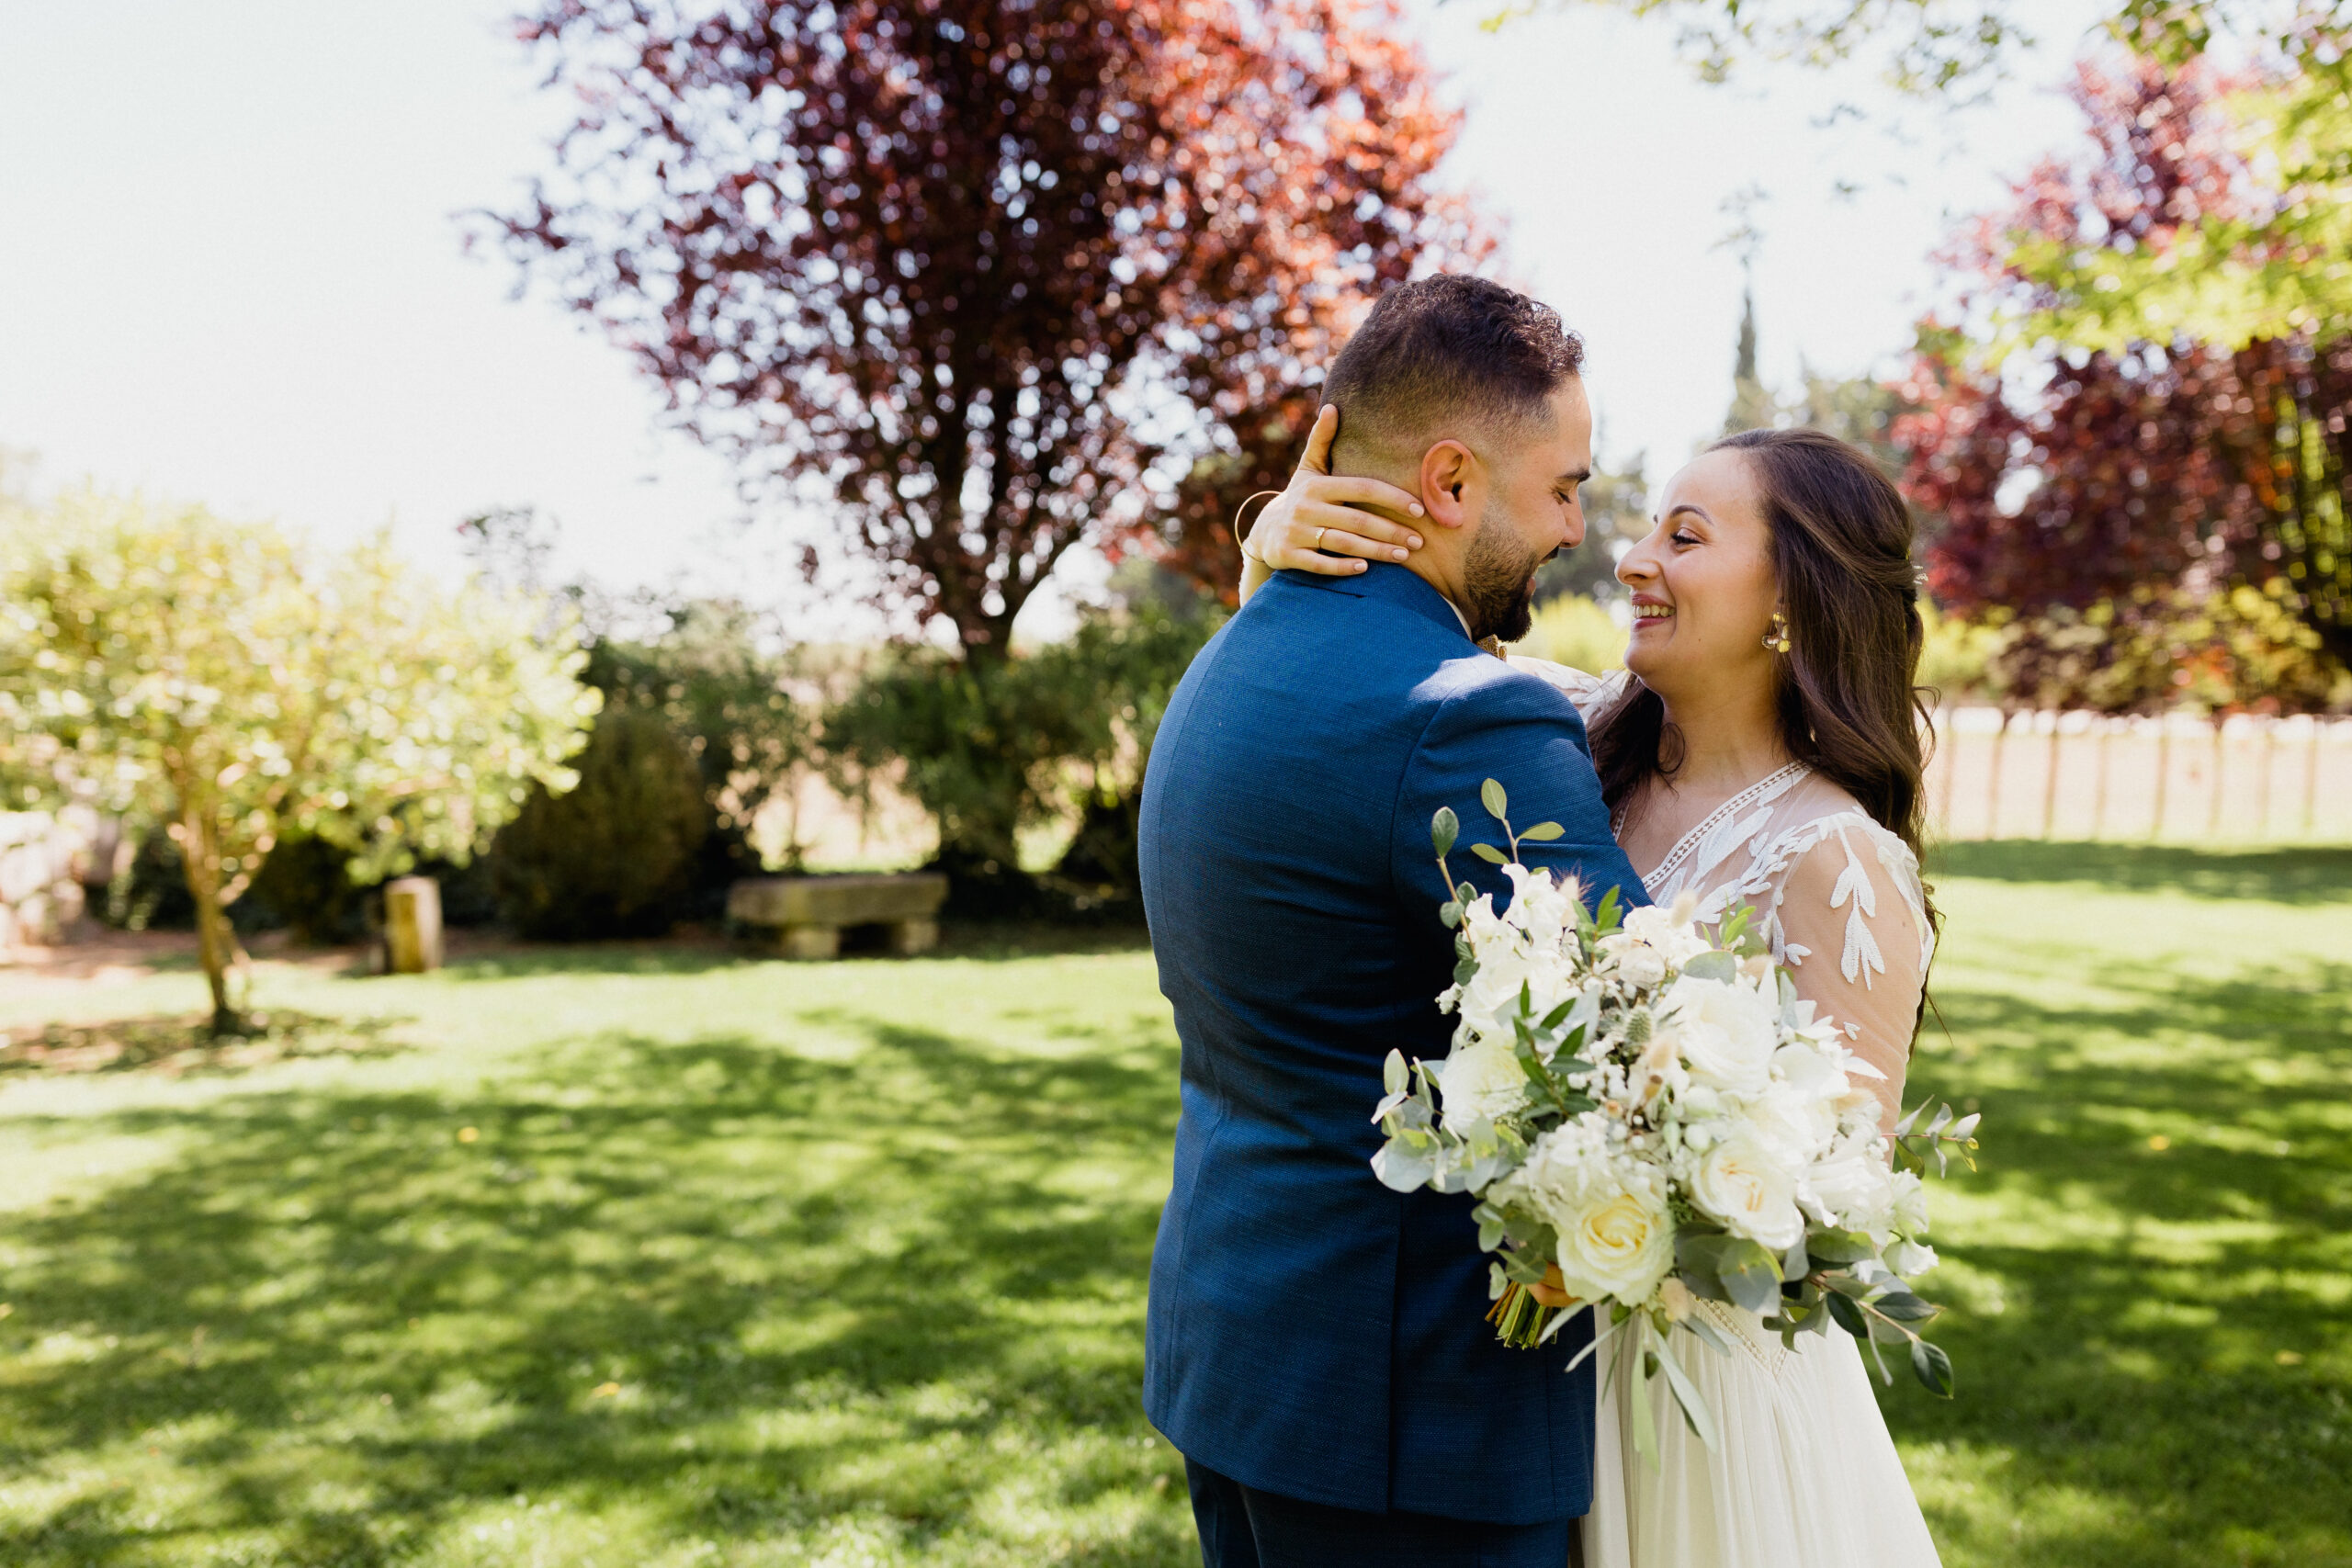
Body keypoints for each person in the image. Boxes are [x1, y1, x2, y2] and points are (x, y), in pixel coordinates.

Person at [1240, 409, 1945, 1568]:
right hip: (1513, 1374)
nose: (1630, 559)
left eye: (1684, 536)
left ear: (1788, 600)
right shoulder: (1558, 734)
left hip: (1698, 1410)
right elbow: (1355, 685)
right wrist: (1273, 545)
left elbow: (1837, 1206)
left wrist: (1632, 1164)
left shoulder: (1840, 858)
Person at [1136, 276, 1649, 1567]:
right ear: (1450, 480)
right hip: (1408, 1423)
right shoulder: (1462, 714)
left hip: (1243, 1355)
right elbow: (1647, 1020)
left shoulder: (1238, 651)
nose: (1577, 529)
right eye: (1563, 486)